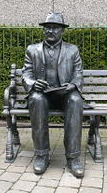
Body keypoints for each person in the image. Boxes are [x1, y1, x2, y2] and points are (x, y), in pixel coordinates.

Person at [22, 12, 84, 178]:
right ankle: (42, 154)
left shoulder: (72, 50)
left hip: (65, 95)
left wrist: (72, 85)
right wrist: (34, 83)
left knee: (76, 100)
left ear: (62, 31)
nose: (51, 31)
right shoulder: (32, 50)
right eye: (48, 28)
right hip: (43, 95)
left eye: (55, 28)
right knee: (36, 98)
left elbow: (78, 73)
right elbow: (26, 74)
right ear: (44, 30)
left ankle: (73, 157)